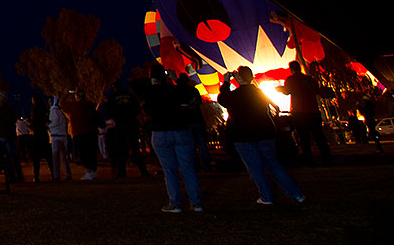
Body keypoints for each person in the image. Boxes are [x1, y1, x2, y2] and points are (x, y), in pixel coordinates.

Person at [218, 67, 305, 206]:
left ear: (239, 78)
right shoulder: (259, 92)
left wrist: (226, 82)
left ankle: (267, 196)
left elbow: (222, 99)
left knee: (255, 167)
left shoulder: (235, 94)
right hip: (265, 132)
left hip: (243, 134)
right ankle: (296, 194)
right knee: (273, 163)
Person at [135, 66, 203, 213]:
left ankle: (175, 203)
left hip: (160, 133)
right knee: (188, 169)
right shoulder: (177, 89)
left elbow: (137, 90)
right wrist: (174, 79)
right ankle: (196, 203)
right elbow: (192, 94)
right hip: (181, 131)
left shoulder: (149, 92)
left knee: (169, 170)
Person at [283, 61, 332, 165]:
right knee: (319, 136)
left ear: (291, 69)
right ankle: (327, 158)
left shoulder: (291, 80)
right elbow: (317, 91)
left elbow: (286, 91)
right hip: (313, 111)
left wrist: (281, 90)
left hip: (299, 113)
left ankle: (309, 159)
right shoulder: (309, 79)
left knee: (304, 138)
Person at [104, 80, 149, 178]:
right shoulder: (131, 97)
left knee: (121, 150)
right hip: (132, 125)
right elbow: (137, 109)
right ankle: (143, 170)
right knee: (135, 148)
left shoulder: (112, 98)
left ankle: (122, 172)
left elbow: (107, 110)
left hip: (120, 126)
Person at [68, 92, 100, 180]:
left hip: (81, 133)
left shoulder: (75, 106)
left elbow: (62, 104)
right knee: (92, 153)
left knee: (84, 154)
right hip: (92, 132)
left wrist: (66, 95)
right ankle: (94, 172)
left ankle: (88, 172)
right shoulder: (90, 105)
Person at [0, 92, 21, 183]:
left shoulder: (0, 110)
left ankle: (11, 176)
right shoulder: (10, 109)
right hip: (11, 134)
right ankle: (18, 175)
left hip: (4, 135)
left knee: (7, 157)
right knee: (14, 156)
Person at [47, 95, 72, 181]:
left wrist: (48, 126)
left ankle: (56, 175)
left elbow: (55, 122)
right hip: (63, 135)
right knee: (64, 157)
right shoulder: (60, 111)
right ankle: (67, 173)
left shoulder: (53, 111)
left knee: (56, 157)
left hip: (56, 136)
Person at [28, 92, 51, 182]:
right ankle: (53, 173)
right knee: (48, 155)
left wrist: (30, 125)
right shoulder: (44, 110)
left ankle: (36, 175)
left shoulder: (35, 110)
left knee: (36, 157)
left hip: (37, 134)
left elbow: (35, 122)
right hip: (44, 133)